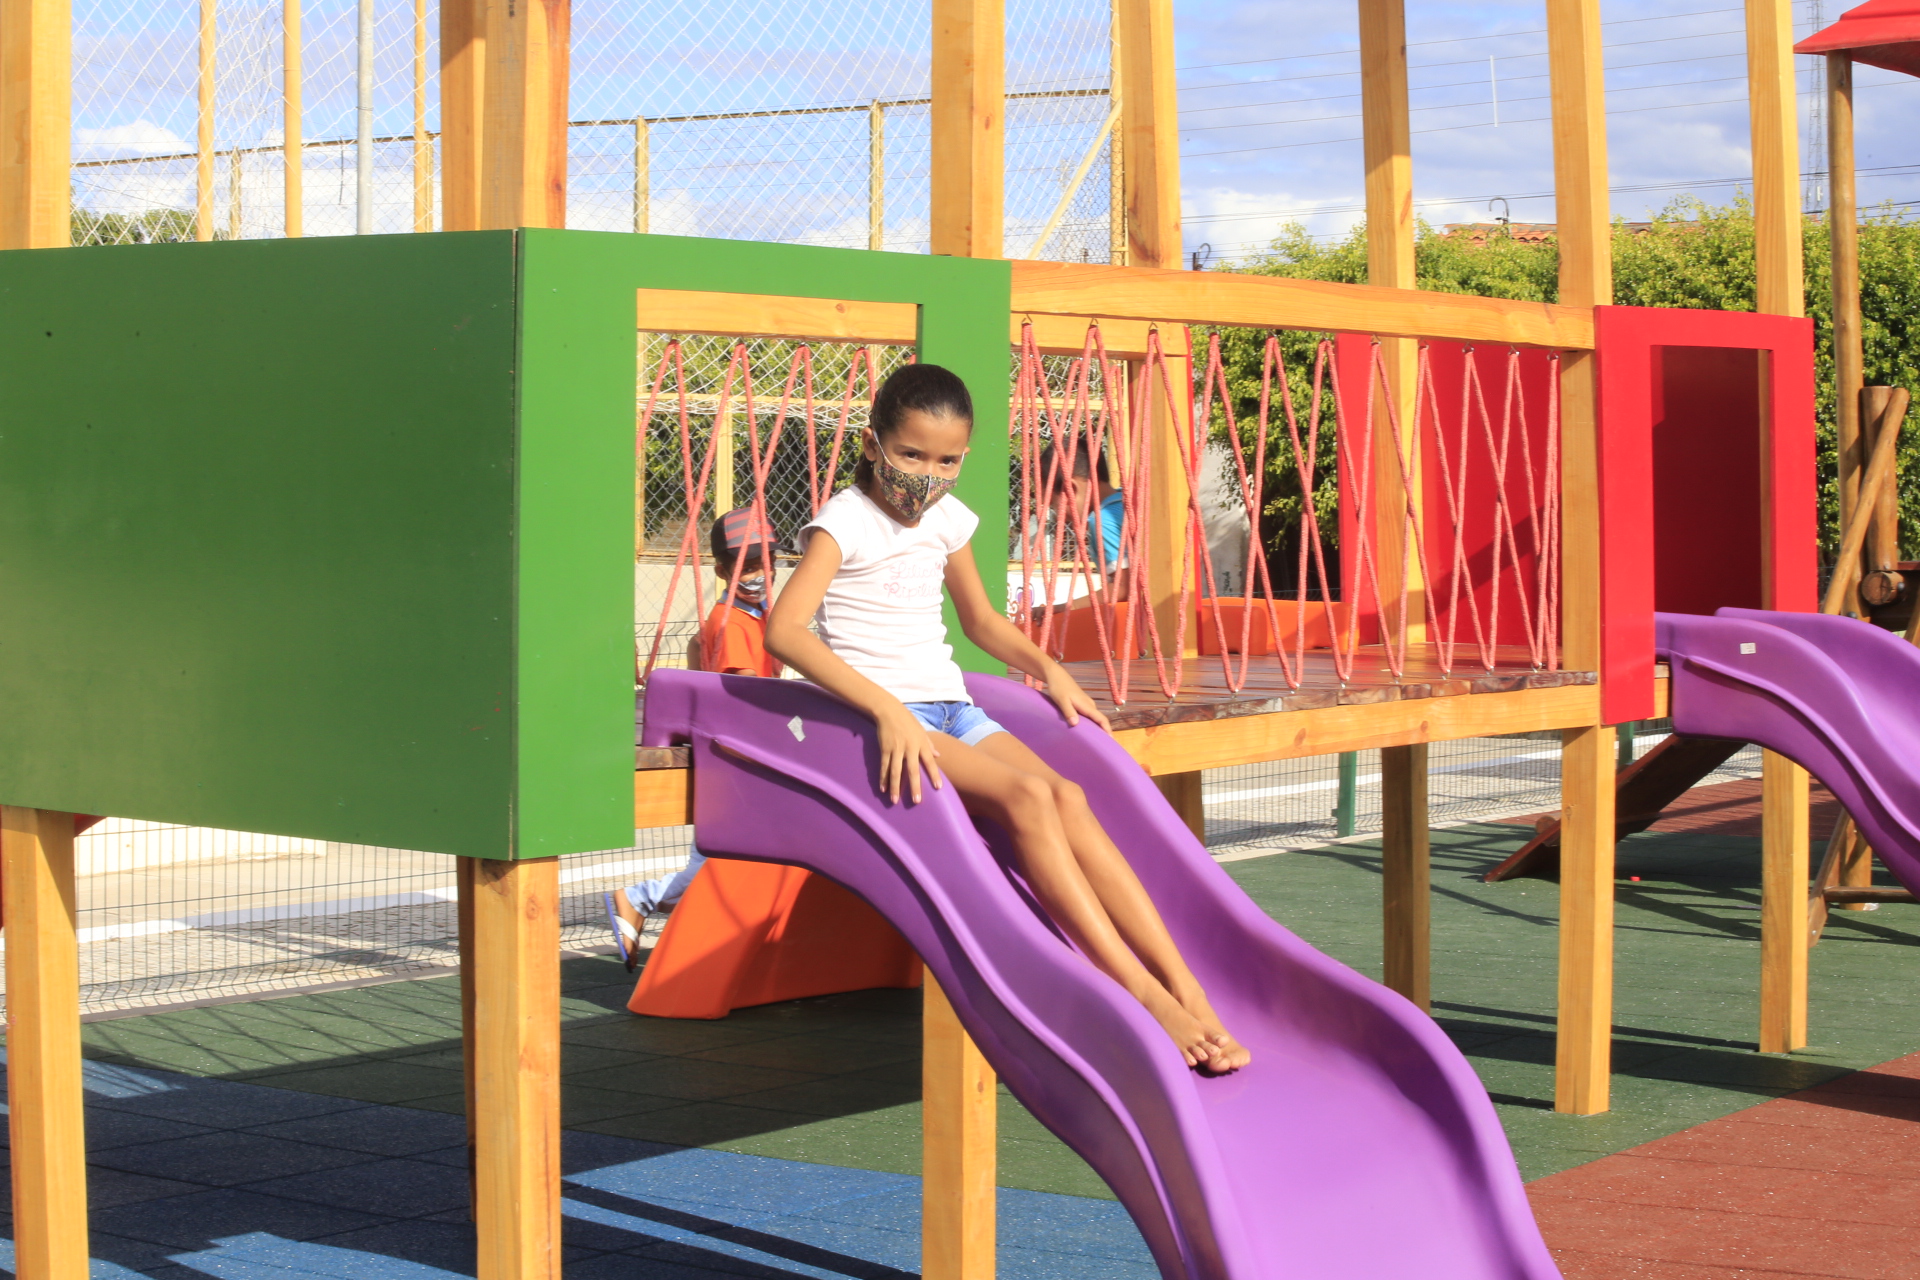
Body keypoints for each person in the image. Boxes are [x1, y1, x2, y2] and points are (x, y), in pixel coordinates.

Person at [765, 363, 1249, 1074]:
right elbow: (786, 631)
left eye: (947, 461)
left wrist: (1048, 668)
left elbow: (982, 620)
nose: (927, 475)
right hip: (887, 718)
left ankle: (1188, 988)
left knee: (1068, 796)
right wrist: (885, 709)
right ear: (872, 445)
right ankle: (1143, 993)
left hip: (952, 707)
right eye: (910, 455)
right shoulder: (845, 522)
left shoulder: (946, 519)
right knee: (1027, 798)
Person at [608, 506, 783, 970]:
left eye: (767, 562)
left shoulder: (756, 619)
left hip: (735, 757)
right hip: (738, 759)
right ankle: (641, 901)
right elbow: (747, 695)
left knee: (722, 860)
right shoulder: (733, 623)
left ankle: (643, 904)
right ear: (723, 570)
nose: (759, 574)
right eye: (747, 565)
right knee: (723, 860)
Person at [1037, 440, 1129, 602]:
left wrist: (1066, 609)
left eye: (1052, 504)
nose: (1059, 516)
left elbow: (1123, 587)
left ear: (1070, 490)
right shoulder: (1126, 500)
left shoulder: (1102, 521)